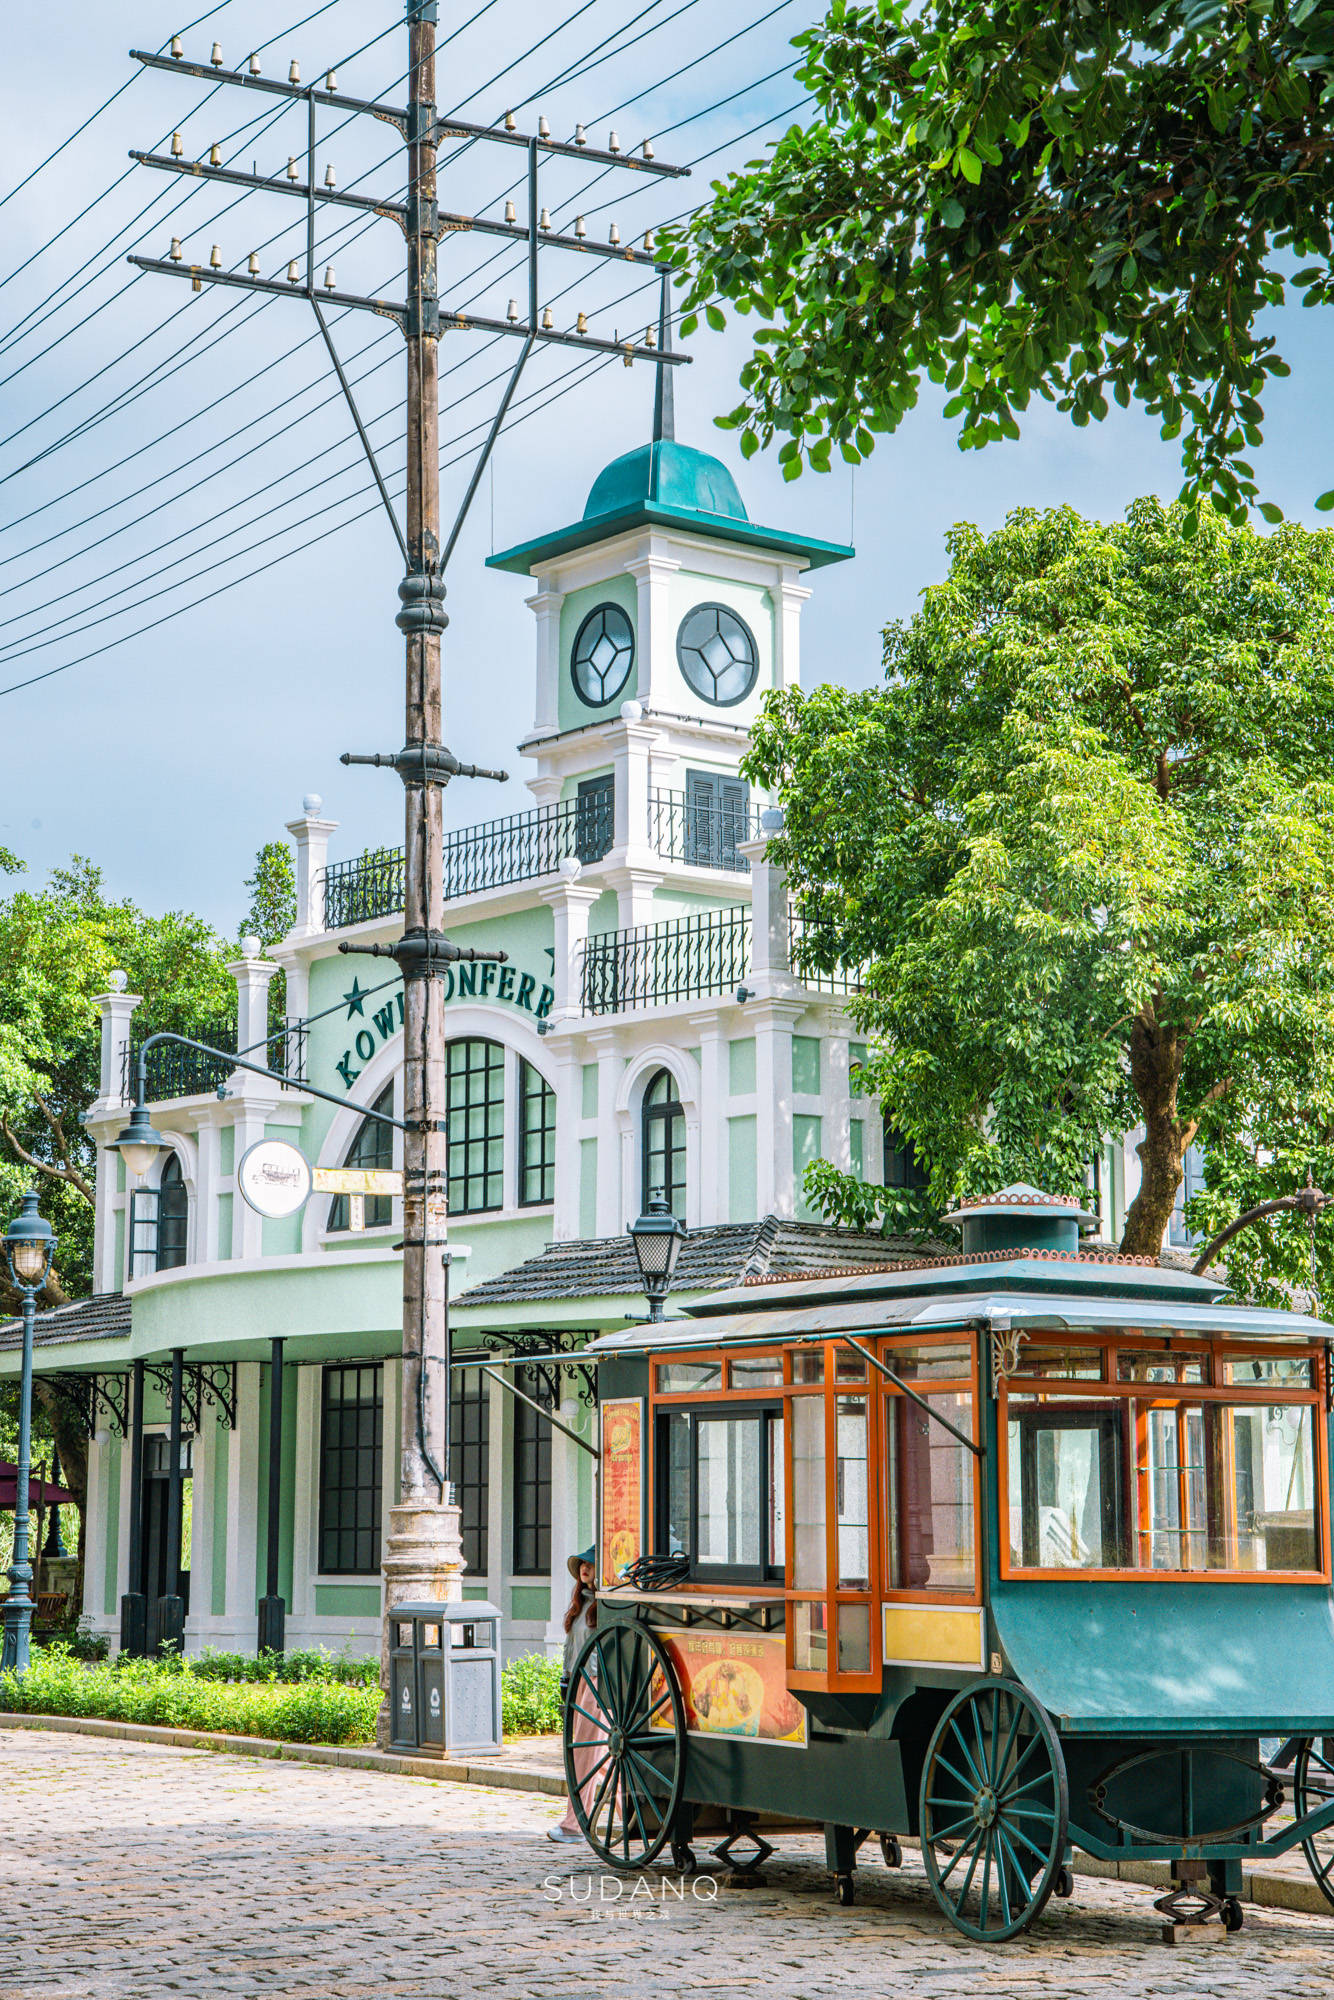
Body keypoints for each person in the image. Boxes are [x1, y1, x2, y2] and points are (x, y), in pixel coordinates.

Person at [547, 1546, 597, 1844]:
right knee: (597, 1758)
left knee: (584, 1755)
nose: (585, 1569)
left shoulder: (603, 1607)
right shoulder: (580, 1606)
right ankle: (629, 1812)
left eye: (590, 1564)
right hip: (578, 1683)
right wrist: (566, 1680)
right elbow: (570, 1649)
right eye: (582, 1565)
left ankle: (575, 1824)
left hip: (596, 1684)